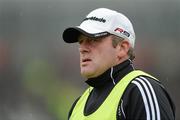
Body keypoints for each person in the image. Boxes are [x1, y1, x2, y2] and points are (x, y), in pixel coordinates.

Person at [62, 8, 175, 120]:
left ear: (122, 48)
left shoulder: (141, 91)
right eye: (81, 41)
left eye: (93, 40)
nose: (82, 49)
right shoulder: (78, 104)